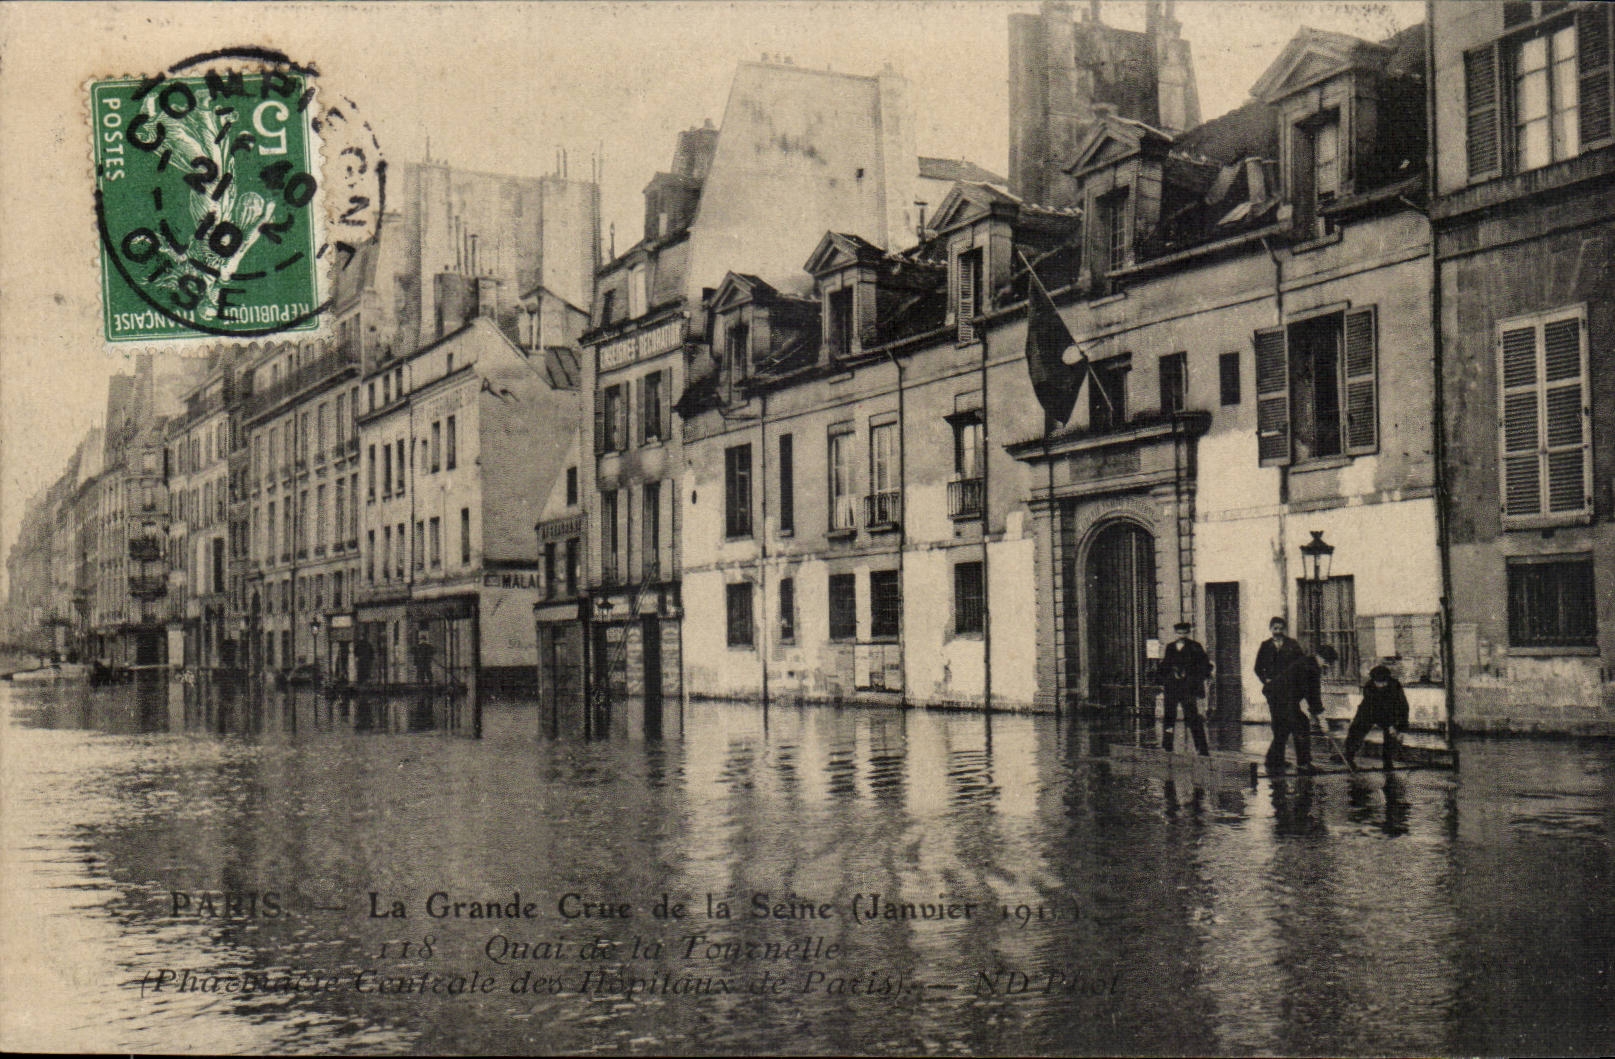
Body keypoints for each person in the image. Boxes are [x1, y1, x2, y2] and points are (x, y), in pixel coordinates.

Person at [1262, 636, 1338, 774]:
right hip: (1281, 697)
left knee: (1283, 728)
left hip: (1277, 695)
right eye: (1327, 662)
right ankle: (1303, 764)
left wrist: (1318, 715)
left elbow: (1311, 695)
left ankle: (1273, 760)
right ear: (1321, 658)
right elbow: (1313, 696)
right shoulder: (1311, 668)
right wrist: (1321, 718)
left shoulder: (1308, 663)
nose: (1327, 666)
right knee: (1301, 725)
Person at [1160, 620, 1212, 755]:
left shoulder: (1195, 647)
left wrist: (1192, 676)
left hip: (1187, 688)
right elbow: (1165, 665)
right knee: (1169, 716)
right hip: (1172, 688)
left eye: (1184, 633)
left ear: (1188, 633)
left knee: (1193, 717)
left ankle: (1201, 748)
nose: (1181, 635)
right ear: (1175, 633)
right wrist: (1168, 675)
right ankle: (1167, 745)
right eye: (1179, 633)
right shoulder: (1170, 647)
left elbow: (1204, 665)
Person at [1344, 664, 1410, 771]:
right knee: (1356, 730)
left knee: (1391, 736)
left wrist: (1401, 728)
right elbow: (1377, 708)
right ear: (1374, 680)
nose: (1382, 685)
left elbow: (1403, 707)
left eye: (1384, 682)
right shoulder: (1369, 687)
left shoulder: (1395, 686)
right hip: (1368, 711)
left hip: (1390, 712)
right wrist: (1389, 725)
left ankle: (1388, 761)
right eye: (1379, 682)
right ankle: (1348, 756)